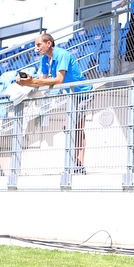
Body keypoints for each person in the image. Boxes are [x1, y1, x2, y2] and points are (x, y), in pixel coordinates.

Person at [16, 34, 92, 173]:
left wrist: (33, 82)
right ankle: (78, 165)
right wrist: (27, 82)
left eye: (39, 45)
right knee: (76, 129)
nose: (36, 48)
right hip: (71, 94)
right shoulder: (45, 59)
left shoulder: (61, 54)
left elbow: (59, 80)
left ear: (49, 43)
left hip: (82, 93)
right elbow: (41, 80)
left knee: (70, 127)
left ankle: (76, 164)